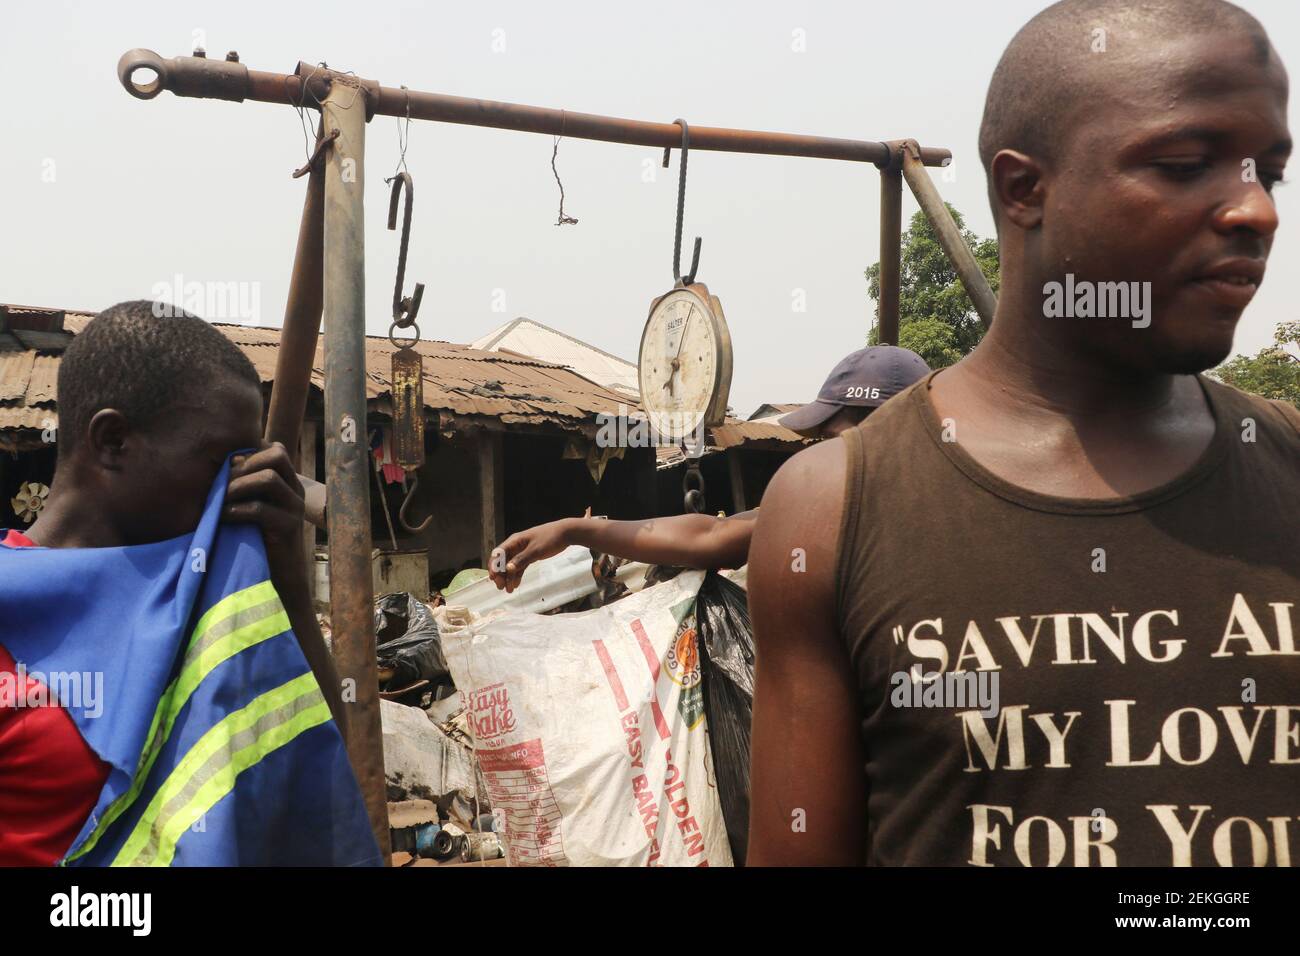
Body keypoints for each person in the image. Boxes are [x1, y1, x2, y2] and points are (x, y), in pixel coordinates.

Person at [747, 0, 1298, 866]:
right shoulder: (831, 514)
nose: (1255, 211)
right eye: (1188, 164)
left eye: (1269, 170)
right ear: (1023, 189)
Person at [0, 301, 352, 866]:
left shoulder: (211, 595)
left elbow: (314, 760)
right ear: (113, 441)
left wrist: (291, 583)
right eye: (221, 461)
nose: (243, 483)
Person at [487, 346, 930, 592]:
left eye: (835, 442)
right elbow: (711, 535)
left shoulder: (941, 519)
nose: (823, 460)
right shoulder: (830, 509)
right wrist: (572, 531)